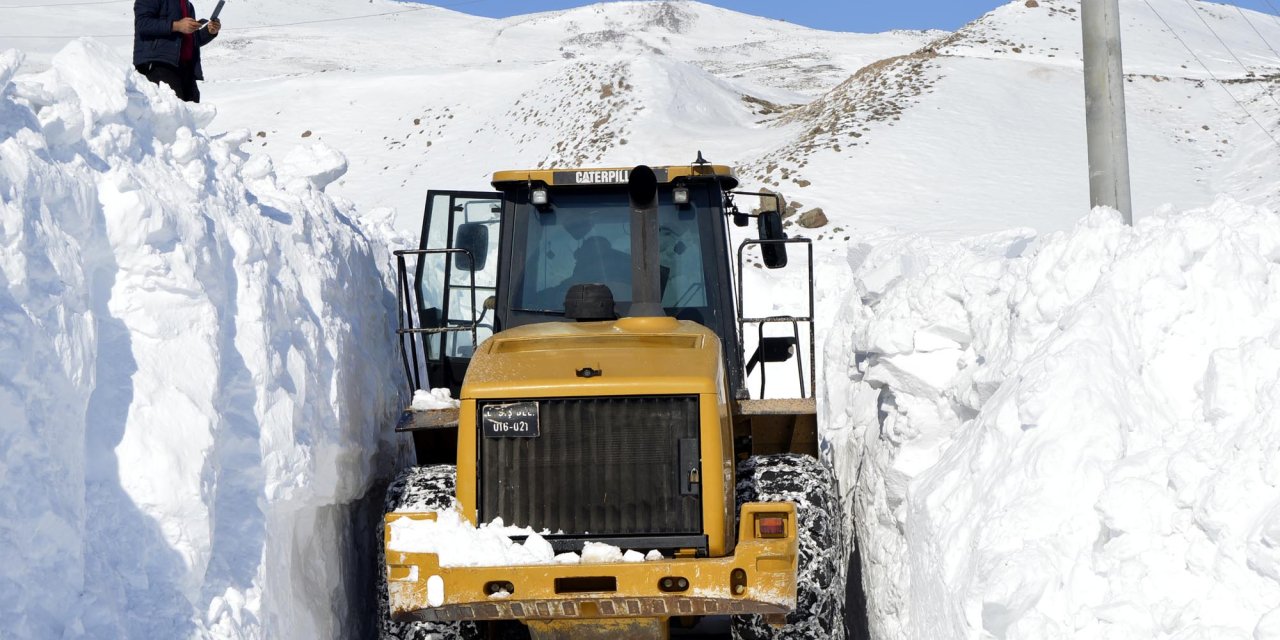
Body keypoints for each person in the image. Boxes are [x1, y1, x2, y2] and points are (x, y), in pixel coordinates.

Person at [133, 0, 221, 103]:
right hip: (159, 65)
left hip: (186, 68)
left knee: (193, 114)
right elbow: (143, 24)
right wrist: (177, 25)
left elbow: (191, 41)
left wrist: (209, 32)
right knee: (172, 111)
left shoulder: (187, 4)